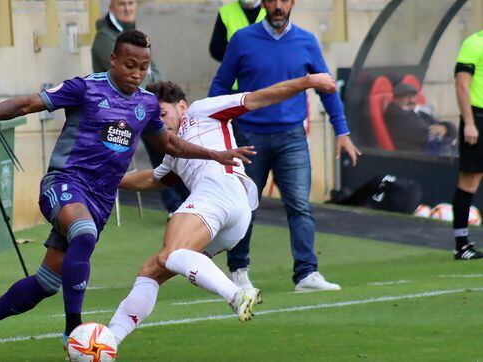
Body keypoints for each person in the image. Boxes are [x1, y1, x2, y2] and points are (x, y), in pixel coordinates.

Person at [0, 30, 255, 362]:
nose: (137, 73)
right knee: (83, 231)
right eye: (129, 65)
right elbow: (27, 103)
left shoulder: (146, 104)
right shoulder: (86, 88)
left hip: (99, 200)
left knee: (46, 283)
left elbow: (169, 144)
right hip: (64, 183)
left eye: (143, 67)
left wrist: (215, 155)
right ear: (113, 59)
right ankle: (72, 330)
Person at [107, 73, 338, 346]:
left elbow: (258, 97)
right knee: (152, 270)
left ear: (181, 106)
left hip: (220, 189)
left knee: (171, 253)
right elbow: (152, 180)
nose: (158, 122)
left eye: (162, 113)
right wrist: (106, 180)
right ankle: (108, 342)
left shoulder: (201, 110)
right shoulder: (173, 154)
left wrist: (307, 82)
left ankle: (236, 293)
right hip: (233, 219)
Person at [209, 0, 361, 293]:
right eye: (272, 0)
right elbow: (220, 87)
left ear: (292, 3)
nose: (278, 6)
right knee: (245, 208)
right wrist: (215, 131)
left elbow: (327, 88)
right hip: (249, 137)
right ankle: (238, 272)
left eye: (284, 0)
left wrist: (342, 131)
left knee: (300, 206)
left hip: (292, 137)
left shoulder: (307, 41)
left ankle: (307, 274)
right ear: (264, 3)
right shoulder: (242, 39)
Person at [92, 0, 189, 216]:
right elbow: (131, 79)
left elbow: (155, 71)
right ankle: (176, 205)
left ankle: (185, 201)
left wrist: (152, 87)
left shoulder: (138, 37)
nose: (127, 8)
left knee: (169, 141)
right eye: (121, 3)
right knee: (164, 144)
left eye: (131, 3)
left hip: (142, 105)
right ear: (111, 7)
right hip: (119, 112)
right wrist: (149, 86)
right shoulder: (105, 39)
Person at [451, 30, 483, 260]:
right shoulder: (474, 43)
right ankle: (461, 245)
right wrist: (469, 123)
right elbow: (462, 85)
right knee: (469, 181)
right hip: (478, 118)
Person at [384, 83, 456, 154]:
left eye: (413, 96)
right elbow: (428, 135)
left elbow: (440, 126)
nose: (411, 100)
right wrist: (445, 132)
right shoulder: (396, 115)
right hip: (417, 157)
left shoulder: (416, 111)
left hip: (432, 150)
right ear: (395, 99)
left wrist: (445, 128)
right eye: (406, 97)